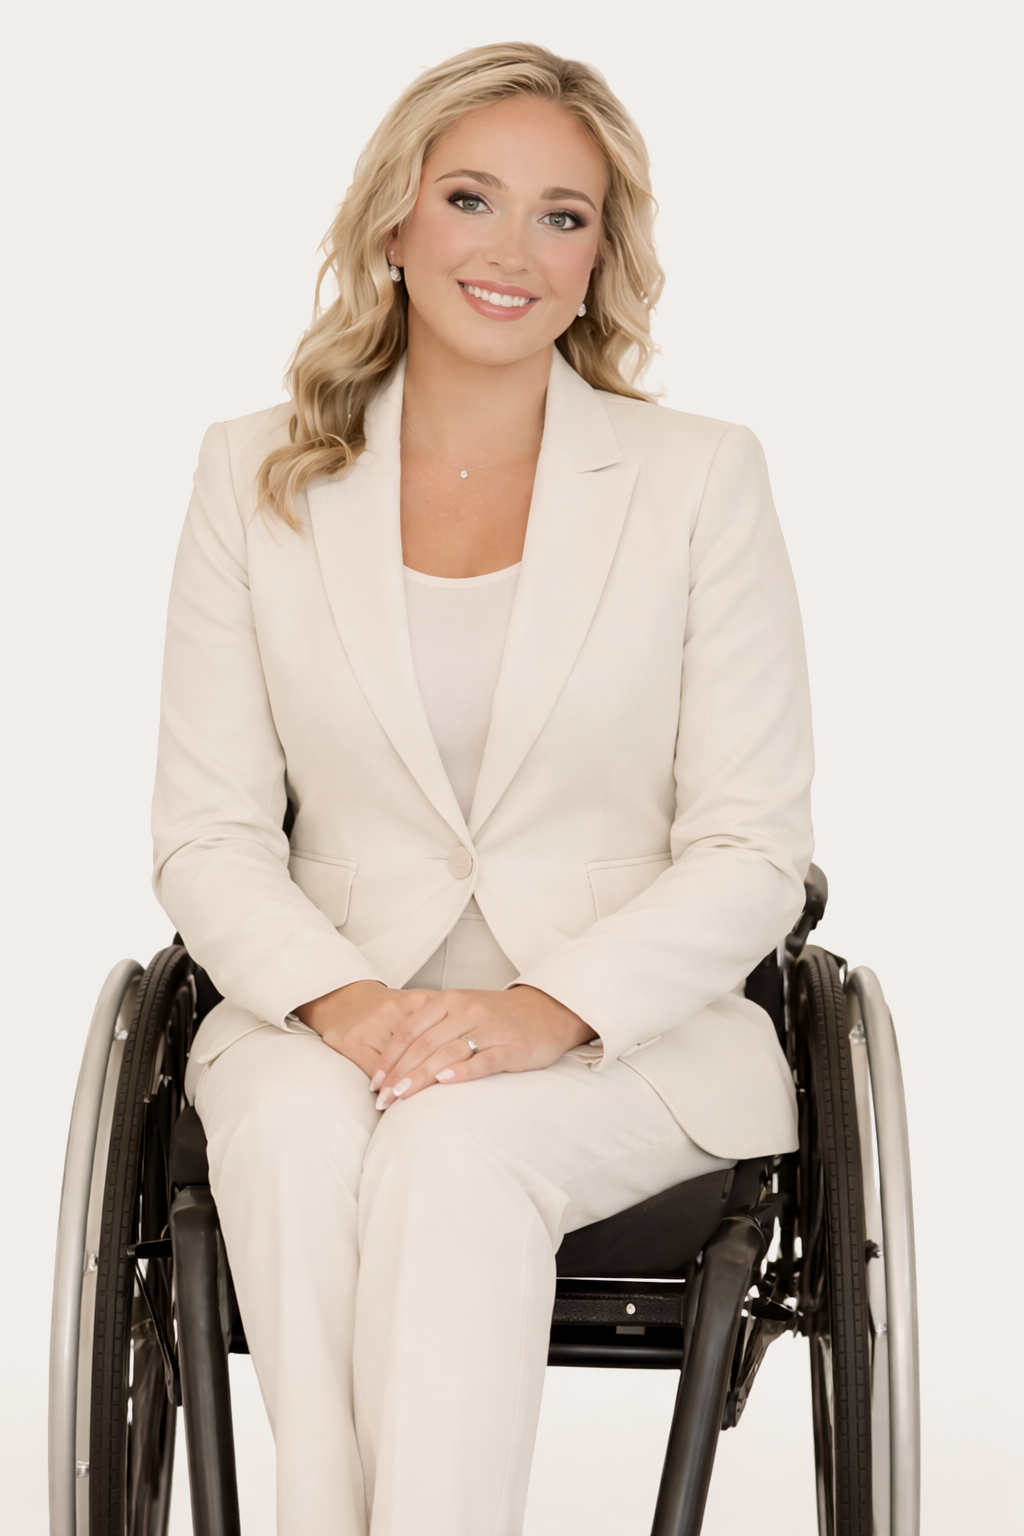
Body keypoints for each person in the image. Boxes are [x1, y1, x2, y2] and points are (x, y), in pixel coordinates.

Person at [152, 40, 813, 1536]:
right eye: (470, 198)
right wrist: (347, 1003)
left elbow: (750, 844)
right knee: (303, 1137)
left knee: (454, 1149)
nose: (512, 250)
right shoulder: (254, 475)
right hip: (318, 1010)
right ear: (395, 220)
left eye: (561, 216)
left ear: (597, 262)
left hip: (626, 1037)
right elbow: (207, 832)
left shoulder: (698, 478)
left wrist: (540, 1013)